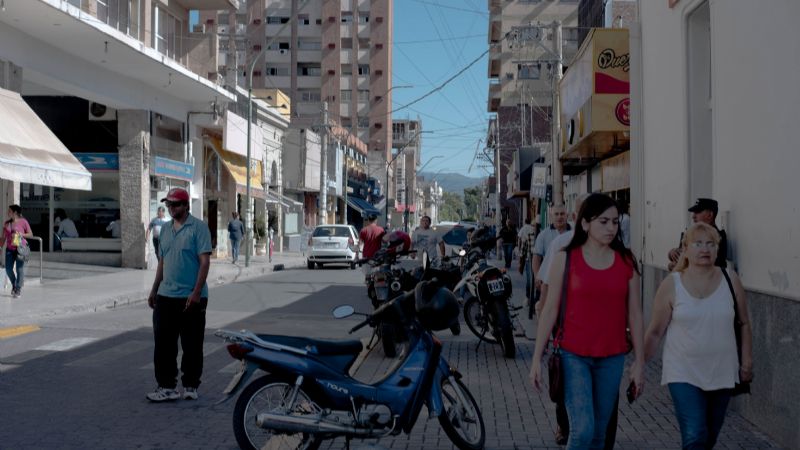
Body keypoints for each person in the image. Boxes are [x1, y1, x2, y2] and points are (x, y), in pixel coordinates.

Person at [530, 193, 644, 450]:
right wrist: (536, 358)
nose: (611, 228)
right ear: (585, 223)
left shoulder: (627, 261)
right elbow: (550, 310)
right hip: (573, 355)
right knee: (582, 431)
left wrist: (640, 362)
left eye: (615, 222)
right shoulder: (565, 258)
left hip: (612, 357)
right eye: (603, 222)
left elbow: (635, 314)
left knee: (600, 434)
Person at [644, 222, 753, 450]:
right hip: (682, 371)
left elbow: (743, 323)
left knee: (709, 436)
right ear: (685, 249)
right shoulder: (672, 284)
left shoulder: (730, 279)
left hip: (722, 370)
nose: (705, 249)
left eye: (711, 244)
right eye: (698, 244)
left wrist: (746, 361)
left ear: (717, 249)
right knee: (695, 434)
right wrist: (639, 364)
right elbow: (655, 332)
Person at [146, 187, 212, 402]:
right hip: (166, 295)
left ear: (185, 206)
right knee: (163, 345)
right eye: (168, 204)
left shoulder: (199, 228)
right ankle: (167, 387)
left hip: (192, 297)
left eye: (175, 204)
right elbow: (162, 262)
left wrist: (196, 292)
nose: (171, 208)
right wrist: (154, 289)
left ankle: (191, 385)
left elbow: (204, 262)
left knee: (192, 345)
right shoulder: (165, 230)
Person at [668, 198, 728, 270]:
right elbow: (681, 255)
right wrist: (672, 253)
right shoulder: (691, 233)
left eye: (697, 212)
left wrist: (678, 265)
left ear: (710, 215)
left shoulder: (718, 237)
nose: (693, 216)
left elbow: (709, 266)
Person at [2, 205, 33, 298]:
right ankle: (14, 284)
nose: (8, 212)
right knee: (8, 269)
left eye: (9, 211)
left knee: (19, 269)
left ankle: (18, 289)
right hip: (9, 249)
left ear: (15, 212)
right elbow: (3, 237)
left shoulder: (23, 222)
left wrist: (22, 234)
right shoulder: (7, 223)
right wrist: (0, 247)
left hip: (20, 249)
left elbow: (30, 234)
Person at [517, 218, 536, 302]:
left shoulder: (541, 235)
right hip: (529, 260)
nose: (534, 227)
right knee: (529, 279)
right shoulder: (529, 235)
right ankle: (528, 296)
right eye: (533, 226)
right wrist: (521, 263)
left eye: (535, 226)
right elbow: (523, 250)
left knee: (537, 280)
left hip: (539, 261)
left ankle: (535, 298)